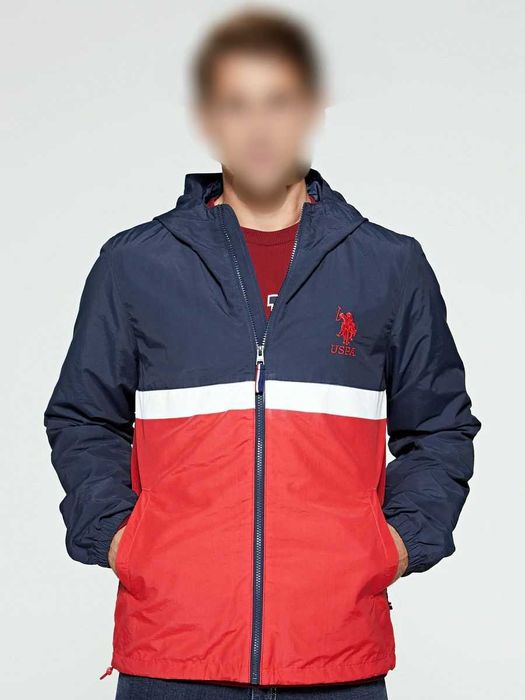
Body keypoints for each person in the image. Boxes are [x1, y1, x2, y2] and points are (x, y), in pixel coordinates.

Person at [43, 8, 482, 700]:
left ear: (312, 107)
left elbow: (440, 427)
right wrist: (120, 537)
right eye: (236, 104)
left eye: (278, 101)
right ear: (207, 116)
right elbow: (81, 417)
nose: (258, 127)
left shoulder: (387, 266)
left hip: (336, 656)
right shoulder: (135, 266)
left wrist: (396, 544)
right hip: (173, 654)